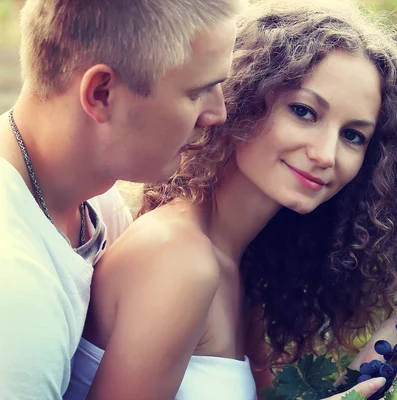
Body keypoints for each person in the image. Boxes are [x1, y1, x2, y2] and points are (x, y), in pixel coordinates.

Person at [65, 0, 397, 399]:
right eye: (304, 111)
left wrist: (385, 358)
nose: (325, 154)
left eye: (353, 135)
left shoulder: (238, 265)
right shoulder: (178, 257)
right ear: (244, 98)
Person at [0, 0, 243, 398]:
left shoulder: (97, 204)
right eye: (198, 91)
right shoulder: (15, 297)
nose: (218, 113)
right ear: (101, 93)